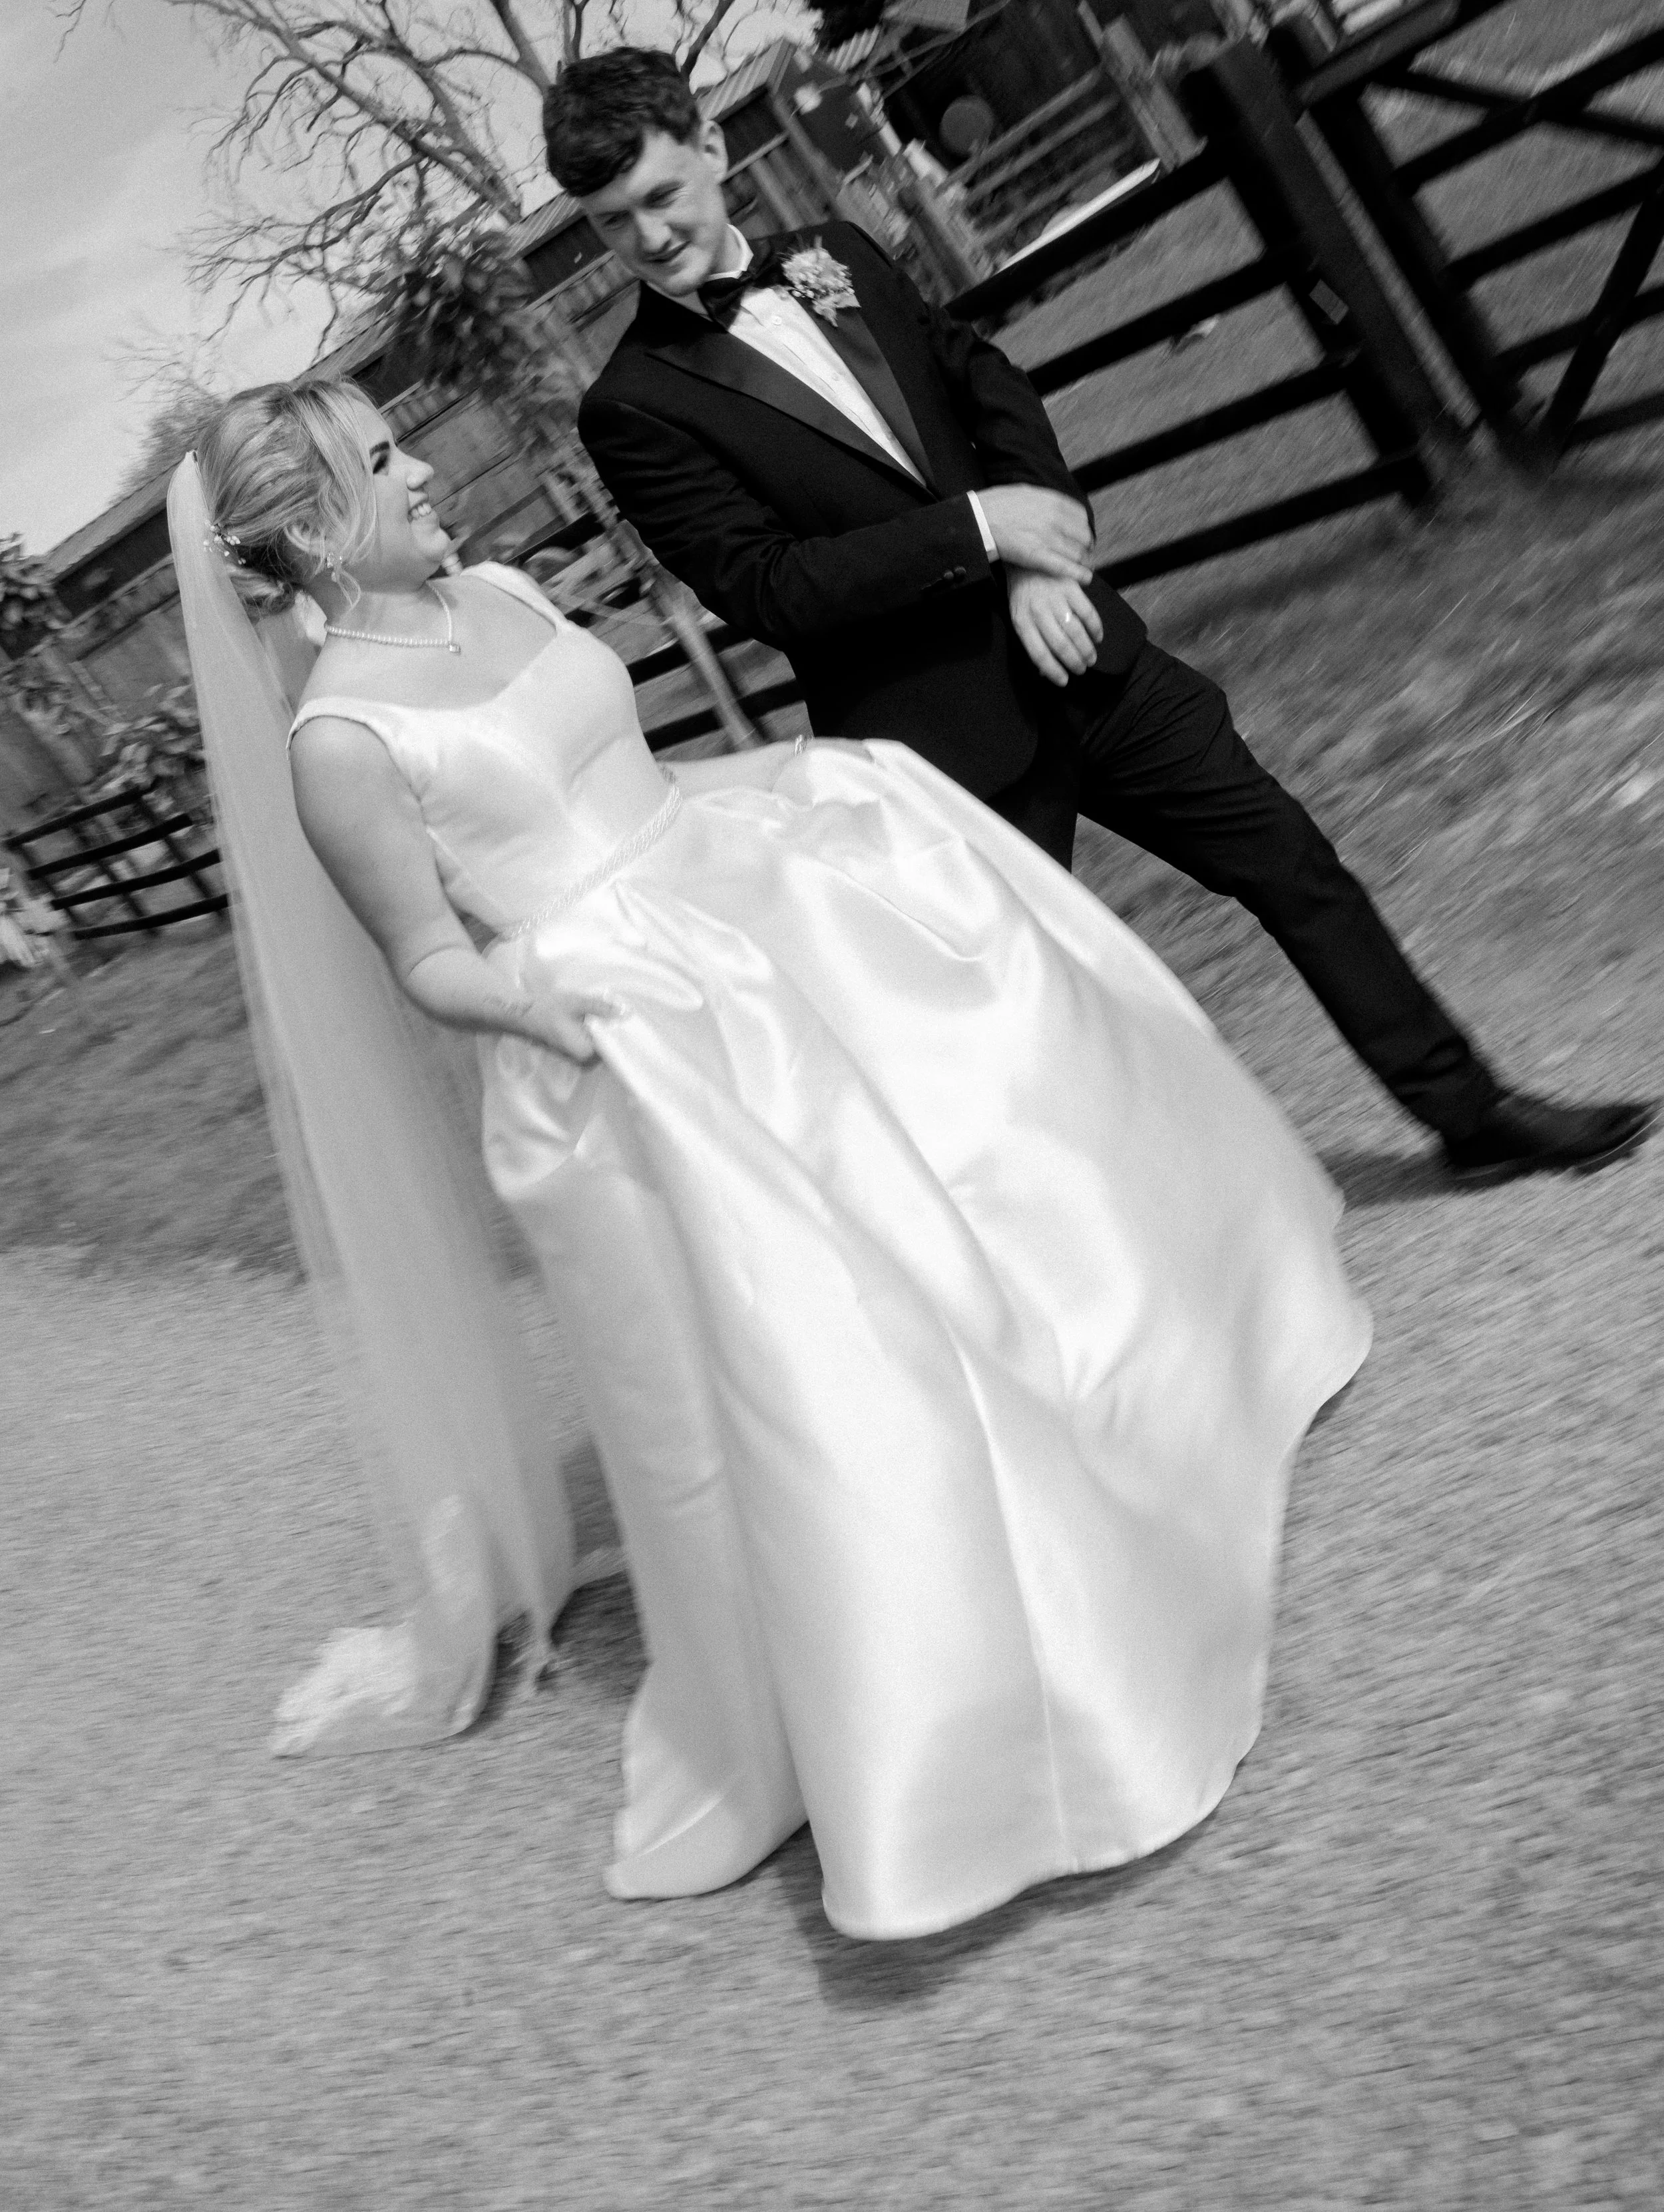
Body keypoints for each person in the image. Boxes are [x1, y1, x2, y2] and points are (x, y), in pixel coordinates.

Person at [176, 375, 1369, 1942]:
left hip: (729, 901)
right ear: (320, 530)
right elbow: (430, 964)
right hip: (615, 1040)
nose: (422, 467)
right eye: (385, 460)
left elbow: (638, 785)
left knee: (968, 1175)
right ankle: (924, 1708)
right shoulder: (342, 743)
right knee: (815, 1360)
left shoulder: (507, 588)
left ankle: (1132, 1449)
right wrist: (573, 1002)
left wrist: (799, 795)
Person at [551, 47, 1655, 1190]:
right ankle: (1109, 1276)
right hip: (938, 741)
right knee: (1035, 1024)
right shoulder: (632, 405)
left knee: (1290, 861)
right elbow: (771, 588)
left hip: (1083, 650)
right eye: (611, 222)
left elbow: (983, 377)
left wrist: (1042, 561)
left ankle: (1472, 1116)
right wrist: (984, 532)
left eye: (661, 195)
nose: (648, 236)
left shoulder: (837, 254)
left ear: (714, 149)